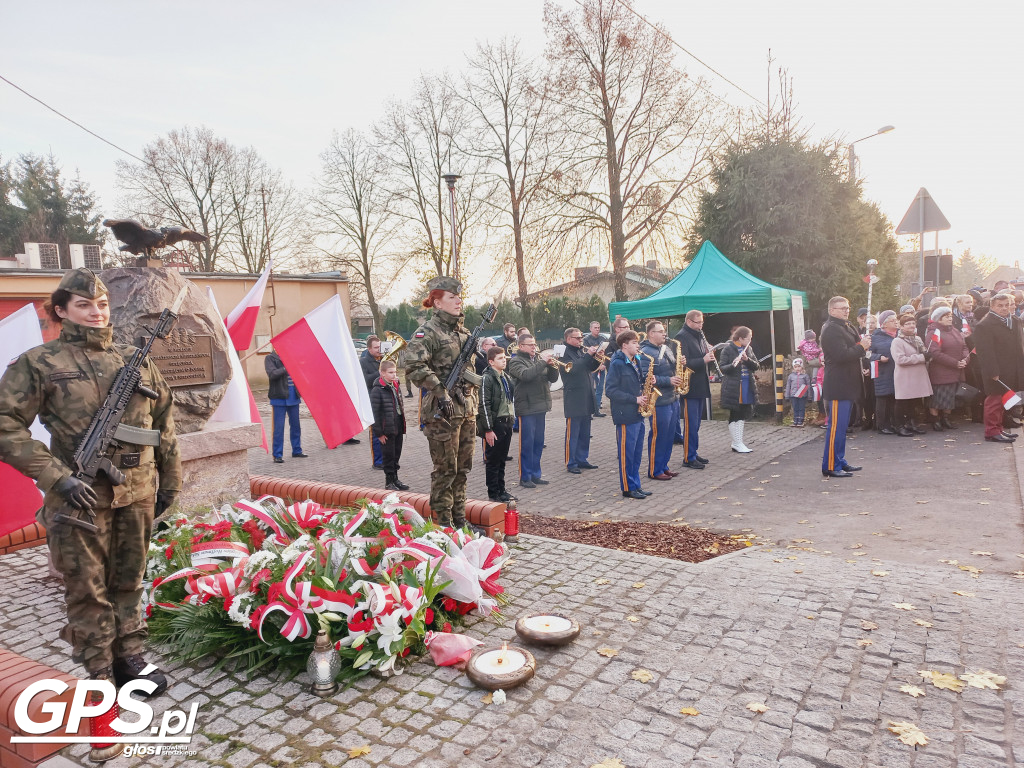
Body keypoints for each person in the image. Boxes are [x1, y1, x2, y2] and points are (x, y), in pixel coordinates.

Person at [0, 269, 180, 746]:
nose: (96, 312)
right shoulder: (39, 362)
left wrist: (170, 482)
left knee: (129, 577)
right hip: (79, 494)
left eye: (100, 303)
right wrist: (55, 475)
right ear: (61, 310)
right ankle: (99, 673)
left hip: (135, 490)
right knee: (87, 587)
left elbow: (163, 422)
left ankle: (131, 657)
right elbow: (5, 424)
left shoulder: (134, 361)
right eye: (83, 304)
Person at [404, 276, 480, 528]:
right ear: (437, 302)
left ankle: (460, 520)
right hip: (442, 412)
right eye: (452, 297)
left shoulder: (464, 332)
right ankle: (443, 526)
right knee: (445, 472)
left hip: (466, 410)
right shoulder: (428, 332)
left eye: (459, 297)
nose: (458, 301)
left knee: (462, 471)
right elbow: (413, 366)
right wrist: (439, 390)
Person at [820, 296, 870, 478]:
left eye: (847, 308)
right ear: (832, 311)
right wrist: (861, 348)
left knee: (842, 427)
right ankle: (831, 465)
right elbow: (841, 355)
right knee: (836, 428)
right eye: (842, 308)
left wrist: (863, 344)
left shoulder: (846, 326)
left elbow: (856, 345)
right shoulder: (831, 330)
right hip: (838, 384)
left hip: (848, 383)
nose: (846, 311)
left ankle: (839, 460)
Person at [507, 333, 558, 488]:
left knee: (538, 442)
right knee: (527, 443)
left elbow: (553, 379)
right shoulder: (515, 361)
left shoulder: (536, 360)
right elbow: (526, 375)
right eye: (530, 345)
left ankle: (536, 474)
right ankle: (525, 476)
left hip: (540, 406)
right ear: (521, 346)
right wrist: (543, 363)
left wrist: (552, 366)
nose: (534, 347)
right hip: (527, 407)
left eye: (534, 344)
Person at [972, 292, 1024, 443]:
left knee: (1003, 401)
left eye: (1007, 305)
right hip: (996, 371)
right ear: (992, 306)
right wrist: (992, 372)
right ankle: (991, 431)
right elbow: (985, 352)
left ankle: (999, 429)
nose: (1004, 308)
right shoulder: (985, 325)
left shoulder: (1014, 320)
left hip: (1012, 368)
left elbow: (1019, 346)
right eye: (1000, 306)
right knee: (993, 401)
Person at [605, 330, 650, 499]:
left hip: (638, 414)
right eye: (634, 343)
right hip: (625, 414)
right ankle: (627, 487)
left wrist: (648, 381)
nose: (638, 346)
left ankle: (636, 485)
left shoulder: (635, 360)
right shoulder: (617, 363)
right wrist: (634, 399)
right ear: (624, 345)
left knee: (637, 453)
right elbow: (610, 390)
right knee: (627, 454)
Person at [638, 321, 683, 479]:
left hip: (672, 398)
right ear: (651, 333)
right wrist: (668, 381)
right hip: (658, 401)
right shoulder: (645, 353)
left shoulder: (667, 348)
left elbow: (671, 369)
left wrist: (680, 364)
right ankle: (654, 470)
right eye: (661, 331)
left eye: (664, 331)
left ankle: (664, 466)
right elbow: (646, 377)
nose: (664, 333)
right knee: (659, 435)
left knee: (669, 435)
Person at [674, 309, 716, 470]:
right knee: (691, 423)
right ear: (690, 322)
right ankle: (688, 457)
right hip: (690, 386)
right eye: (698, 323)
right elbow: (683, 363)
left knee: (697, 423)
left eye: (702, 322)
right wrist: (703, 359)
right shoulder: (681, 337)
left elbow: (700, 355)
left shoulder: (698, 335)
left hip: (700, 383)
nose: (701, 325)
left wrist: (708, 352)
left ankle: (693, 451)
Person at [559, 327, 601, 475]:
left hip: (586, 395)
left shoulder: (579, 351)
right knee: (573, 432)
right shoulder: (563, 353)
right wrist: (588, 355)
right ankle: (571, 462)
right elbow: (574, 369)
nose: (580, 340)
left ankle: (582, 458)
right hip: (574, 398)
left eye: (581, 337)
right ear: (568, 339)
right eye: (577, 338)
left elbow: (590, 367)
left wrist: (596, 357)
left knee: (585, 431)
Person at [477, 345, 516, 502]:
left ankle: (502, 490)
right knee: (493, 461)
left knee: (502, 459)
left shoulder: (504, 377)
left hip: (507, 421)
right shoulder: (487, 378)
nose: (504, 360)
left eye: (504, 357)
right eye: (500, 358)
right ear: (491, 362)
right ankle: (493, 493)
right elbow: (484, 404)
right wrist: (488, 429)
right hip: (496, 424)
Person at [924, 306, 969, 431]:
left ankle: (946, 418)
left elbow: (964, 346)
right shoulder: (934, 332)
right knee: (938, 397)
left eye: (950, 316)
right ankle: (935, 420)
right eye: (947, 316)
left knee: (950, 397)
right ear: (939, 319)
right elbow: (935, 353)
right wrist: (955, 363)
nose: (950, 318)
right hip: (941, 371)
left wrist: (965, 359)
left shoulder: (953, 330)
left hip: (957, 370)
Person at [370, 359, 409, 491]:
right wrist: (379, 433)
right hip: (386, 429)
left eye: (395, 372)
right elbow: (374, 414)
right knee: (388, 456)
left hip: (397, 424)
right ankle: (389, 481)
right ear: (382, 373)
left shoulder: (395, 386)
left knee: (396, 454)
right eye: (390, 372)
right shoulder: (377, 390)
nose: (394, 375)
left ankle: (395, 479)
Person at [891, 314, 933, 436]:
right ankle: (899, 426)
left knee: (914, 402)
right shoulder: (897, 341)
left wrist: (927, 356)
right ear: (902, 326)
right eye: (907, 324)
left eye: (913, 323)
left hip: (917, 375)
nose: (911, 326)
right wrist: (921, 357)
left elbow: (923, 352)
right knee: (902, 402)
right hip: (905, 376)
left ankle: (912, 424)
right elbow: (900, 360)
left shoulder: (917, 339)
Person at [718, 326, 759, 453]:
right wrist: (733, 364)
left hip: (747, 385)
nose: (750, 341)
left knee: (743, 413)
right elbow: (722, 368)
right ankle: (736, 442)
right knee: (735, 413)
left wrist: (747, 360)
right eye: (748, 338)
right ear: (740, 338)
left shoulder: (749, 349)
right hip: (733, 386)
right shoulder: (728, 348)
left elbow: (756, 366)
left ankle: (739, 442)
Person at [265, 349, 307, 463]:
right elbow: (272, 374)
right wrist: (286, 368)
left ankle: (297, 450)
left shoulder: (291, 356)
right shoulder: (270, 358)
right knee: (278, 428)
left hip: (293, 396)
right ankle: (277, 454)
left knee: (296, 426)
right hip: (279, 397)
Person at [870, 310, 899, 435]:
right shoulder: (875, 338)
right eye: (893, 320)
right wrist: (878, 357)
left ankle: (892, 423)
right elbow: (866, 354)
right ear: (884, 324)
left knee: (893, 399)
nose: (896, 322)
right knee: (883, 399)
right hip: (882, 372)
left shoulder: (899, 336)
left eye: (896, 320)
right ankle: (881, 425)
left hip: (896, 372)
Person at [360, 335, 384, 470]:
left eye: (380, 347)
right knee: (376, 432)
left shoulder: (384, 360)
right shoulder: (363, 362)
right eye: (376, 348)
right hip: (372, 400)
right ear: (369, 349)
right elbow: (366, 380)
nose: (378, 350)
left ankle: (386, 458)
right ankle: (378, 461)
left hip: (385, 399)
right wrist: (380, 372)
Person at [797, 329, 824, 424]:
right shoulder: (808, 345)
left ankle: (823, 415)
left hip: (818, 366)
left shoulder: (815, 344)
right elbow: (811, 356)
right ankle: (821, 414)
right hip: (812, 362)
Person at [583, 320, 608, 416]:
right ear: (590, 329)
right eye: (595, 328)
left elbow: (605, 352)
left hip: (601, 366)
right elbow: (586, 353)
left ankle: (597, 409)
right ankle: (589, 411)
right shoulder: (586, 340)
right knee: (590, 389)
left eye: (598, 327)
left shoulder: (602, 338)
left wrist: (604, 363)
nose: (597, 329)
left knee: (600, 388)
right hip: (591, 367)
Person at [785, 358, 811, 427]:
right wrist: (787, 396)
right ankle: (795, 420)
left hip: (802, 395)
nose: (797, 368)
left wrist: (809, 396)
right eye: (795, 367)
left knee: (801, 408)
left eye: (799, 366)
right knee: (795, 408)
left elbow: (808, 386)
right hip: (793, 395)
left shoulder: (805, 376)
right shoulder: (791, 376)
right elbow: (788, 386)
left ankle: (801, 421)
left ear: (802, 366)